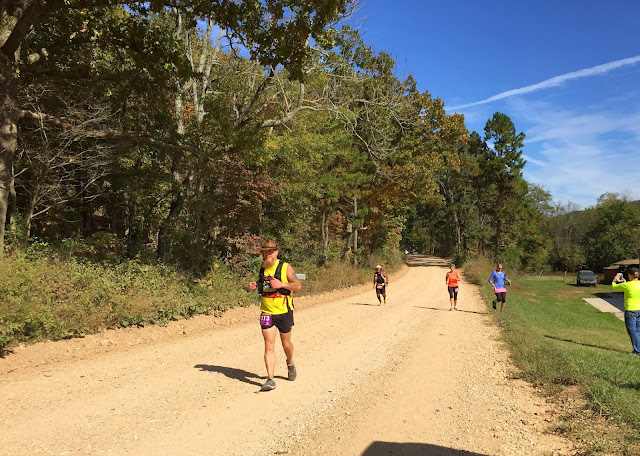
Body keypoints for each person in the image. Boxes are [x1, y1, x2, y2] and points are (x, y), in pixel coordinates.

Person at [248, 240, 302, 391]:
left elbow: (298, 285)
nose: (267, 254)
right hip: (267, 311)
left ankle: (290, 362)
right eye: (265, 252)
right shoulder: (262, 267)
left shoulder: (285, 267)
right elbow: (262, 284)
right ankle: (270, 379)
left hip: (284, 311)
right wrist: (255, 285)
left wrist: (282, 284)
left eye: (270, 252)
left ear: (277, 252)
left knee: (286, 344)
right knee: (269, 345)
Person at [612, 267, 640, 356]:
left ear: (630, 275)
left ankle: (637, 350)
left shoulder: (627, 285)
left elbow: (614, 287)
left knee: (632, 330)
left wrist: (615, 279)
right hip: (639, 309)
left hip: (631, 310)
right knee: (638, 330)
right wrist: (625, 283)